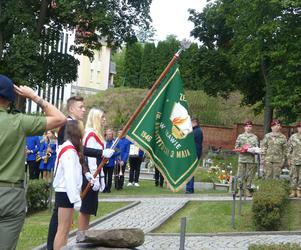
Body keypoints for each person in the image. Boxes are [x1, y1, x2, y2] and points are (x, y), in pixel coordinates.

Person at [0, 75, 66, 250]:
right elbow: (59, 118)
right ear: (9, 98)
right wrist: (33, 96)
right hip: (10, 194)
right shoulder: (19, 121)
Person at [52, 120, 84, 249]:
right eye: (82, 129)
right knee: (63, 229)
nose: (84, 131)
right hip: (66, 193)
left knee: (65, 229)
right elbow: (69, 177)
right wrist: (75, 200)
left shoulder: (69, 148)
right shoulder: (69, 151)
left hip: (67, 193)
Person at [78, 108, 108, 231]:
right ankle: (81, 235)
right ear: (95, 119)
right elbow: (90, 157)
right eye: (102, 117)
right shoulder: (91, 134)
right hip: (89, 175)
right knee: (85, 208)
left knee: (88, 208)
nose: (104, 120)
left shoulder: (95, 134)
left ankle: (84, 234)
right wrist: (94, 177)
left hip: (93, 173)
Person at [234, 121, 259, 197]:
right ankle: (240, 189)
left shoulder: (255, 137)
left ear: (252, 128)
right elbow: (236, 147)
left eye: (250, 126)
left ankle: (247, 189)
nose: (248, 128)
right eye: (247, 126)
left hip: (250, 159)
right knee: (240, 174)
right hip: (242, 158)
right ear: (244, 127)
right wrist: (242, 149)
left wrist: (253, 150)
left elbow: (257, 148)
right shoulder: (240, 136)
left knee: (249, 175)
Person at [186, 118, 203, 194]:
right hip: (195, 152)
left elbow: (189, 140)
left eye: (191, 123)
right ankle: (190, 188)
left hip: (194, 153)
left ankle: (189, 188)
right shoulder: (198, 130)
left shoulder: (196, 131)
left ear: (194, 123)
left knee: (190, 171)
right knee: (191, 171)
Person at [287, 122, 301, 198]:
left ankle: (299, 191)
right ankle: (293, 191)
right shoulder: (293, 137)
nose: (300, 129)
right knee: (293, 176)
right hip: (294, 160)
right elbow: (288, 149)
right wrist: (289, 159)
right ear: (297, 128)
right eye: (299, 127)